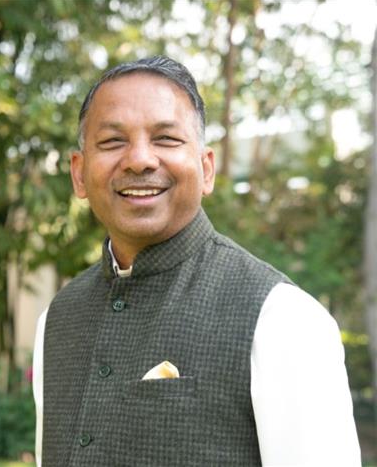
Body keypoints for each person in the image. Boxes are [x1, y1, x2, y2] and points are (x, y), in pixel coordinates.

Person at [33, 55, 361, 467]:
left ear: (207, 169)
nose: (139, 159)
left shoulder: (282, 317)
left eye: (166, 139)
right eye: (113, 141)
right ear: (79, 174)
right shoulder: (57, 319)